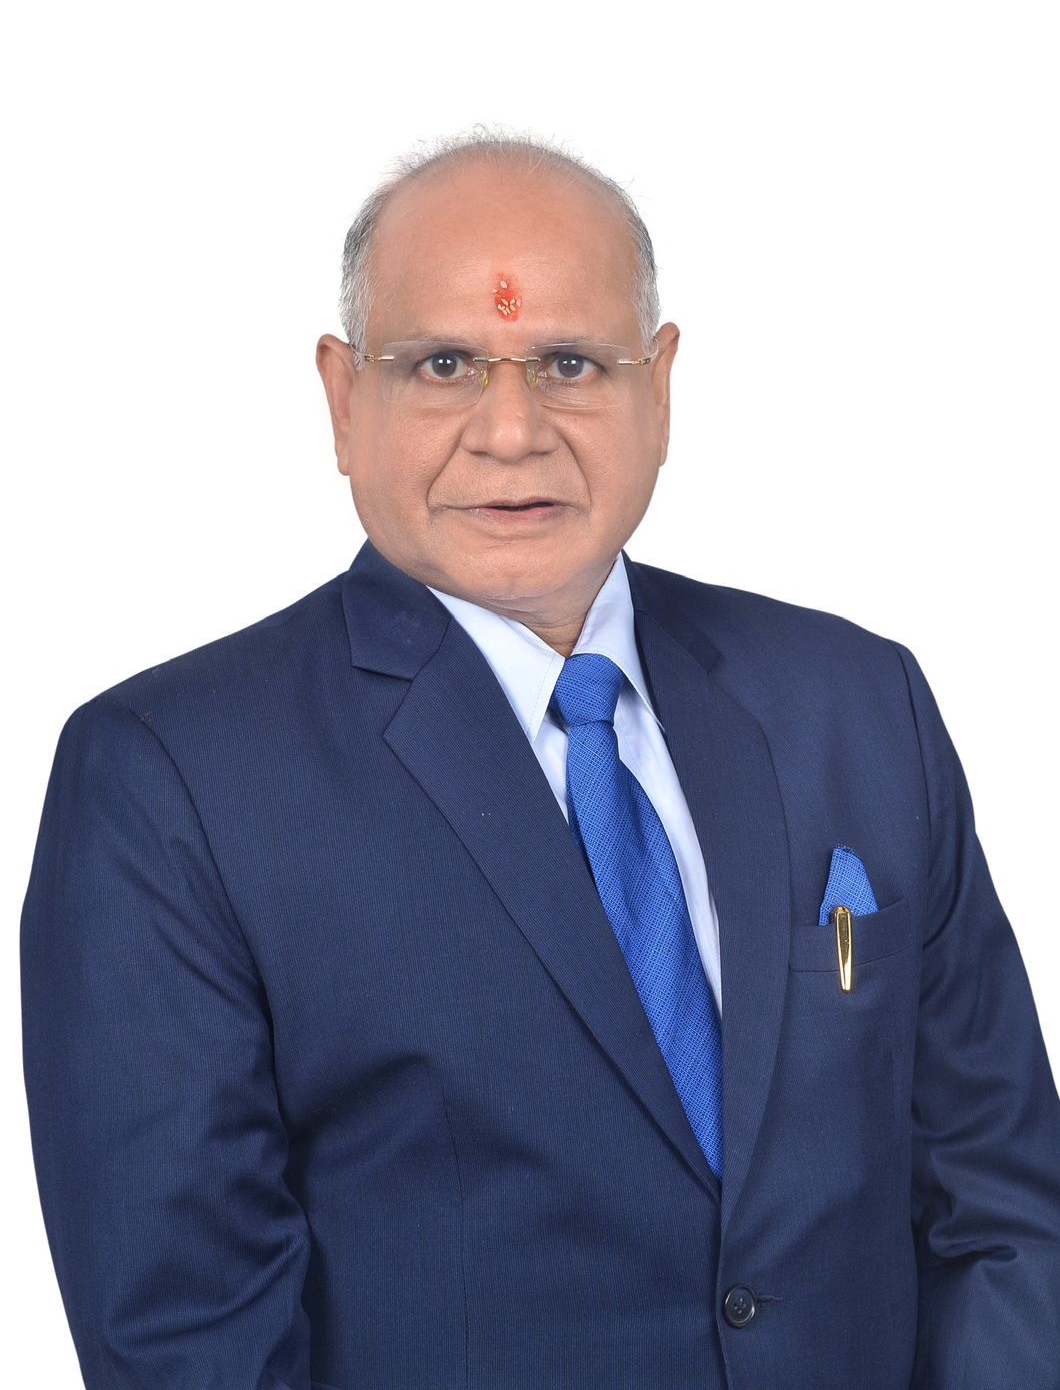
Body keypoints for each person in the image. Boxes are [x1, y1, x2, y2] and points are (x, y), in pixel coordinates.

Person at [20, 128, 1060, 1390]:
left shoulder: (852, 703)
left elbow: (1001, 1208)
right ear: (344, 401)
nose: (510, 431)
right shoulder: (171, 779)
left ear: (657, 389)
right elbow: (192, 1343)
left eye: (570, 363)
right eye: (443, 364)